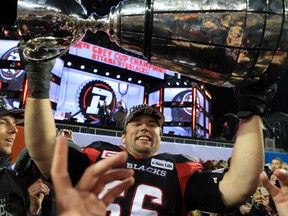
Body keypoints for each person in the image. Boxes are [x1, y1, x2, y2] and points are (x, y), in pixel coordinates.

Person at [23, 59, 276, 215]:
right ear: (123, 135)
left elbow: (240, 186)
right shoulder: (96, 154)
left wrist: (251, 110)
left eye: (153, 124)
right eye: (137, 123)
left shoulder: (180, 168)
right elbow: (42, 149)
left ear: (159, 136)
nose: (145, 127)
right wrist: (38, 80)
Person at [0, 95, 46, 215]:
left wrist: (33, 211)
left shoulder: (17, 183)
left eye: (14, 123)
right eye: (2, 123)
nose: (14, 130)